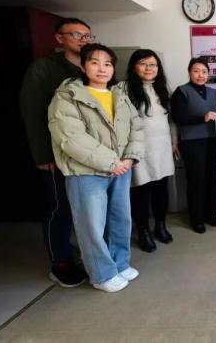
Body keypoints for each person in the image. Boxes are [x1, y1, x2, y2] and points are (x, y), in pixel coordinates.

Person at [48, 43, 144, 292]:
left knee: (120, 219)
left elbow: (136, 128)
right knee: (91, 225)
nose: (102, 68)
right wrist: (112, 163)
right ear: (82, 66)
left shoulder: (119, 96)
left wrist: (130, 158)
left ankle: (120, 263)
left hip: (121, 169)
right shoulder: (68, 96)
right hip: (85, 172)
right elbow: (71, 137)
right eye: (94, 62)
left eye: (107, 64)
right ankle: (101, 274)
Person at [20, 17, 94, 287]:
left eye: (87, 35)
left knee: (85, 207)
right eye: (77, 34)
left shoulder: (92, 67)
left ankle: (83, 254)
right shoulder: (44, 68)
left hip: (90, 154)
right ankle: (60, 262)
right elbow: (32, 111)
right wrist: (42, 154)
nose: (84, 40)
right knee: (60, 206)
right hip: (57, 153)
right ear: (60, 39)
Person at [118, 49, 176, 253]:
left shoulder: (162, 89)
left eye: (153, 64)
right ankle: (143, 231)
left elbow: (170, 120)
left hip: (162, 148)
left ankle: (160, 226)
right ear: (134, 67)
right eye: (143, 64)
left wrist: (174, 142)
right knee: (141, 190)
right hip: (138, 149)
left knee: (161, 189)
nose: (148, 68)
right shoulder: (123, 89)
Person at [171, 57, 216, 234]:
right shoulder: (181, 91)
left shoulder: (213, 93)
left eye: (204, 72)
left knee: (212, 179)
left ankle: (210, 214)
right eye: (196, 71)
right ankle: (197, 219)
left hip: (213, 141)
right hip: (192, 142)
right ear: (189, 72)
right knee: (196, 181)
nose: (200, 75)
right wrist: (203, 117)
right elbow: (178, 117)